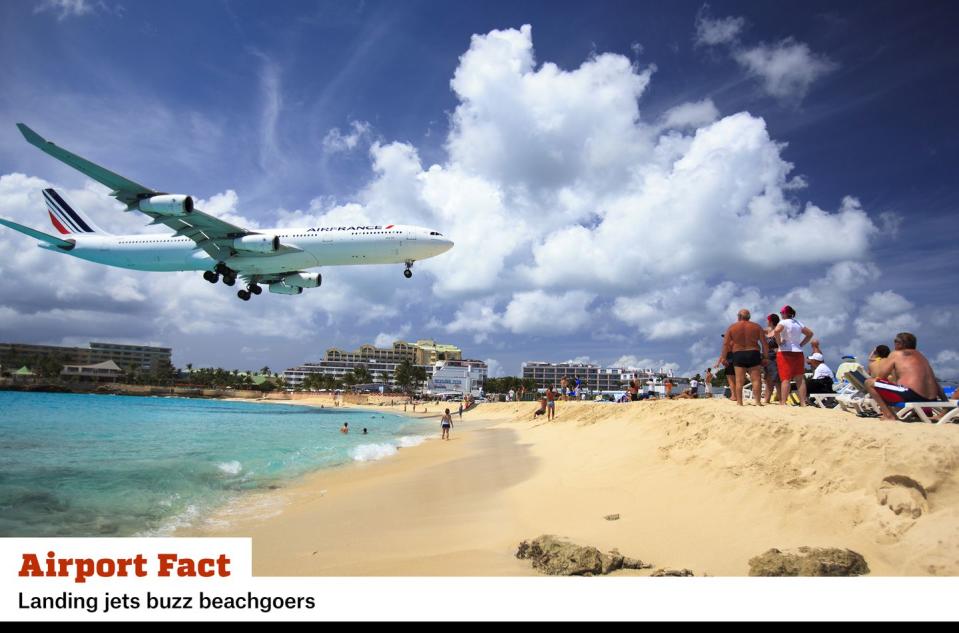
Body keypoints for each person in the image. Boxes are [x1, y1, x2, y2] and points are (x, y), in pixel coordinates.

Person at [864, 332, 946, 420]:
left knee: (869, 383)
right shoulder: (921, 356)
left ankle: (889, 416)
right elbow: (934, 382)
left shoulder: (896, 354)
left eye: (895, 341)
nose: (894, 343)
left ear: (901, 344)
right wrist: (945, 402)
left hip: (912, 395)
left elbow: (881, 376)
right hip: (932, 399)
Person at [722, 309, 767, 406]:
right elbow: (764, 343)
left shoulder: (732, 327)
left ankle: (739, 402)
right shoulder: (757, 326)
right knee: (756, 379)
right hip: (753, 352)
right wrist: (766, 357)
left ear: (738, 316)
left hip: (738, 353)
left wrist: (723, 357)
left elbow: (726, 344)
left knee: (739, 380)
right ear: (749, 317)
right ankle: (758, 402)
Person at [773, 305, 814, 407]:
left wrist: (779, 342)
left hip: (785, 352)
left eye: (781, 313)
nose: (781, 314)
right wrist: (801, 344)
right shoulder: (798, 323)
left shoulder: (783, 322)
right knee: (800, 378)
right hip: (798, 351)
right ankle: (803, 403)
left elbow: (776, 331)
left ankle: (783, 402)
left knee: (785, 378)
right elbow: (810, 334)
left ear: (785, 313)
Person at [763, 314, 782, 404]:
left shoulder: (777, 331)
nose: (766, 321)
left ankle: (782, 399)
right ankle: (767, 399)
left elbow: (782, 343)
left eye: (767, 320)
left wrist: (778, 349)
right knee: (768, 379)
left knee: (776, 379)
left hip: (775, 356)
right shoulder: (767, 330)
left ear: (770, 321)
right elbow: (757, 330)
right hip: (767, 356)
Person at [715, 335, 737, 402]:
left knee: (731, 380)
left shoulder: (727, 344)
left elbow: (722, 355)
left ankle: (734, 396)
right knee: (738, 380)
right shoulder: (737, 343)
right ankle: (738, 395)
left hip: (729, 362)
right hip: (738, 362)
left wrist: (718, 363)